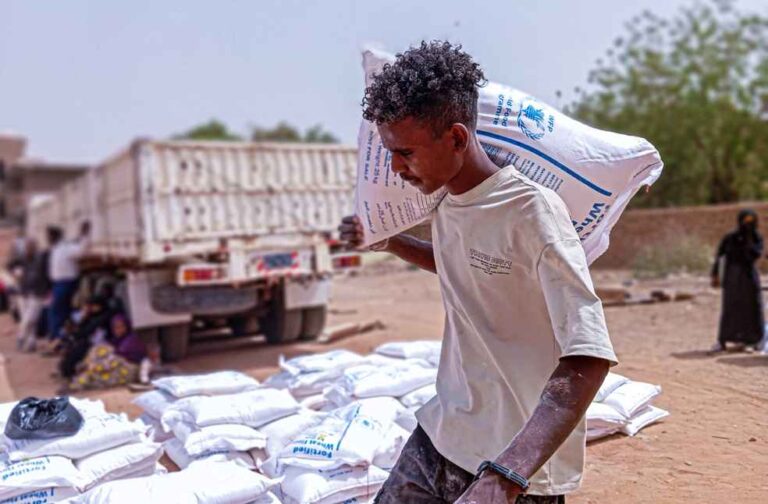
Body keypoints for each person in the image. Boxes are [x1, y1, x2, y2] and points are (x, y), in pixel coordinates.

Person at [339, 41, 617, 503]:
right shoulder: (448, 205)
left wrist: (506, 475)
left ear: (456, 138)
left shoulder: (532, 211)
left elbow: (588, 355)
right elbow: (460, 267)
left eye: (405, 152)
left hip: (513, 472)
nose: (395, 167)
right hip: (442, 437)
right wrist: (388, 241)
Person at [710, 209, 765, 353]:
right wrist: (715, 274)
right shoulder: (730, 238)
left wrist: (747, 240)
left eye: (750, 222)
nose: (747, 225)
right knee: (731, 308)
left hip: (749, 278)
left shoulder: (756, 238)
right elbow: (720, 256)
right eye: (745, 221)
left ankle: (752, 341)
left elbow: (755, 254)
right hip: (732, 278)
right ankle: (723, 340)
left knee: (751, 307)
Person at [67, 313, 147, 392]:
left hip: (128, 370)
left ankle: (80, 381)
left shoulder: (131, 340)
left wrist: (101, 364)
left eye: (121, 327)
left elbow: (121, 358)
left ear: (127, 326)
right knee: (99, 349)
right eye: (115, 327)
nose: (118, 330)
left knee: (97, 374)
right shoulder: (115, 341)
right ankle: (86, 368)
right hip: (116, 365)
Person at [47, 221, 90, 343]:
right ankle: (62, 338)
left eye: (51, 236)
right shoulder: (57, 248)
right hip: (58, 284)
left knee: (57, 313)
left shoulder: (64, 248)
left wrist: (85, 236)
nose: (49, 239)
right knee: (62, 312)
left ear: (56, 236)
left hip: (65, 283)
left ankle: (57, 339)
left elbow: (81, 250)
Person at [13, 238, 50, 352]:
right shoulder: (22, 258)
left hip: (37, 292)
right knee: (29, 320)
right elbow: (10, 265)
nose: (28, 249)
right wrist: (16, 272)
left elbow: (47, 274)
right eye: (27, 247)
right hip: (23, 292)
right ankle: (31, 343)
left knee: (30, 319)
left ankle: (21, 337)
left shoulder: (41, 259)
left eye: (31, 246)